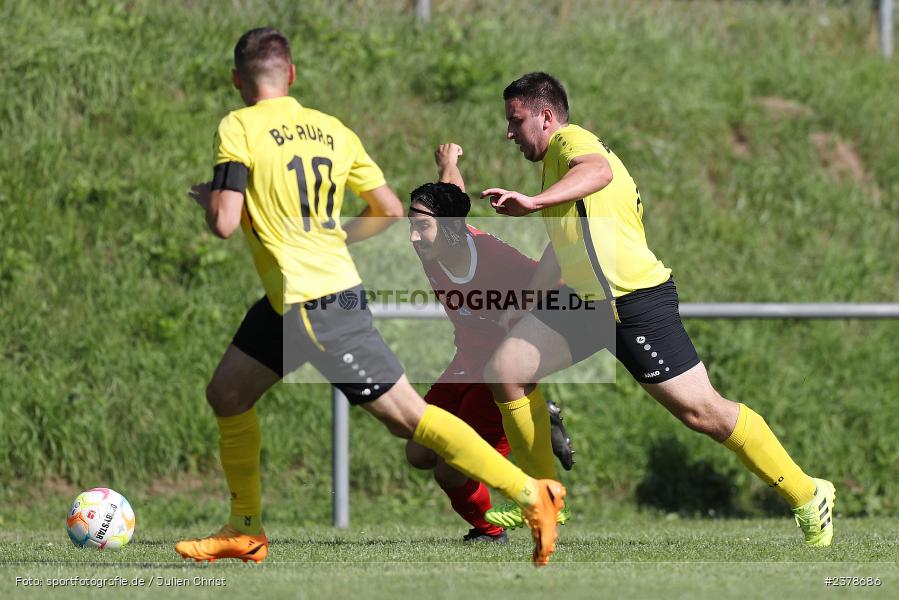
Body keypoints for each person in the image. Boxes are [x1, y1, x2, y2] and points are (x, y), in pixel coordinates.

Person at [174, 31, 565, 567]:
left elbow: (223, 223)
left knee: (411, 420)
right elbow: (383, 208)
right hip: (290, 298)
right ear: (291, 75)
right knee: (227, 393)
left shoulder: (238, 126)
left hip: (315, 302)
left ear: (238, 80)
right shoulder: (333, 131)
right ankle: (245, 529)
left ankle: (531, 494)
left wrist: (213, 200)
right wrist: (331, 236)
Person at [479, 72, 835, 546]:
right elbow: (560, 246)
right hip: (588, 304)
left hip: (634, 303)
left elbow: (598, 171)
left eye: (516, 120)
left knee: (703, 412)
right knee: (506, 367)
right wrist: (524, 301)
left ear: (546, 117)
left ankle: (809, 494)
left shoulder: (571, 140)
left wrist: (533, 202)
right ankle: (541, 497)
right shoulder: (554, 170)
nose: (509, 132)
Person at [405, 144, 575, 543]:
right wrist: (448, 164)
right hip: (466, 360)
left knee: (451, 469)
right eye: (410, 224)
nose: (412, 235)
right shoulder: (433, 245)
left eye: (420, 226)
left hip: (500, 369)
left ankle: (489, 528)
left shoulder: (495, 259)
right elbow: (450, 197)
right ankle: (542, 415)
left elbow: (558, 276)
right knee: (419, 453)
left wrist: (525, 310)